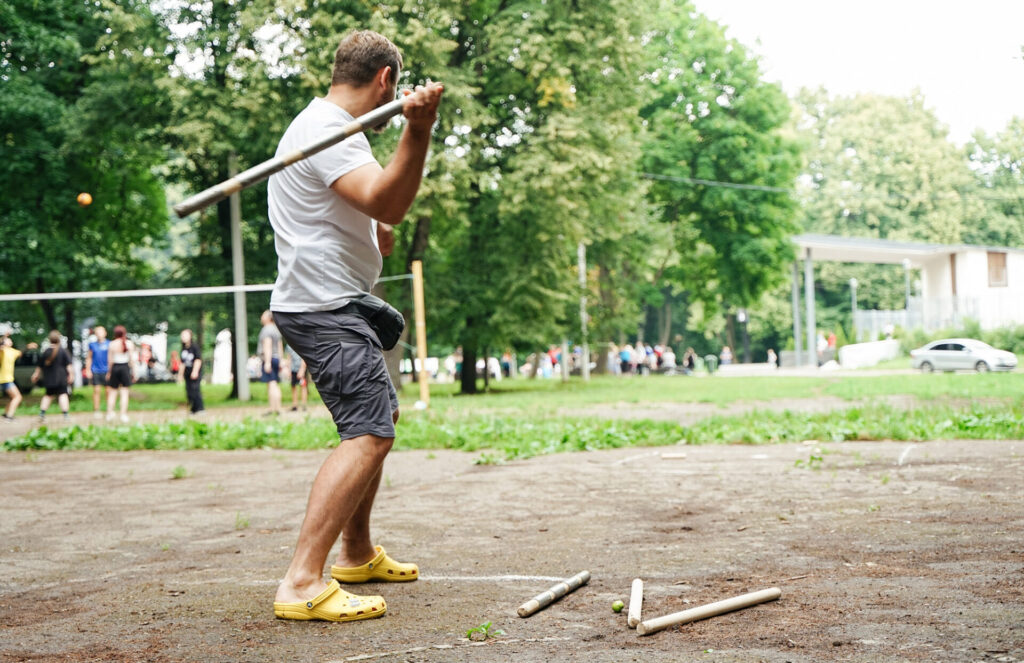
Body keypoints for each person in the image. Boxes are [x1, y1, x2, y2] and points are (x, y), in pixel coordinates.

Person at [266, 30, 442, 622]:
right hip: (323, 305)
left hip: (327, 297)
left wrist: (375, 237)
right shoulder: (333, 132)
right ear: (387, 80)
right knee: (369, 432)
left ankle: (357, 553)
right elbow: (389, 203)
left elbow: (369, 218)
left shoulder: (317, 127)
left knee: (379, 416)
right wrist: (419, 130)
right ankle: (301, 583)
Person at [32, 330, 73, 422]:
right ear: (59, 339)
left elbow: (40, 366)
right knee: (63, 394)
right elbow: (69, 366)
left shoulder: (46, 351)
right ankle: (66, 415)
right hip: (61, 378)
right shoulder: (63, 351)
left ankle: (42, 414)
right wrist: (71, 375)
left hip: (49, 378)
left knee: (48, 395)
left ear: (49, 339)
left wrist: (36, 375)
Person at [106, 325, 135, 423]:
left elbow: (110, 360)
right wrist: (134, 371)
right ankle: (123, 414)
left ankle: (110, 413)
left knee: (113, 392)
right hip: (124, 368)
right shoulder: (129, 343)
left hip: (115, 368)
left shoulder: (112, 344)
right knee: (124, 392)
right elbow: (132, 359)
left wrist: (109, 372)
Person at [258, 311, 285, 415]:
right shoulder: (276, 329)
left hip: (269, 358)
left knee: (272, 383)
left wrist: (267, 362)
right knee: (273, 383)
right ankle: (274, 408)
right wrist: (281, 360)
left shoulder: (266, 330)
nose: (261, 317)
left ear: (268, 318)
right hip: (276, 358)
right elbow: (279, 346)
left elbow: (267, 346)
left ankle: (276, 408)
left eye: (263, 315)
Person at [85, 326, 110, 419]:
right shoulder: (92, 345)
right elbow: (89, 357)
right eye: (97, 332)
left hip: (107, 370)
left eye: (101, 332)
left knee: (108, 391)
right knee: (96, 391)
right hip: (95, 370)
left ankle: (109, 410)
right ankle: (96, 410)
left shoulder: (109, 344)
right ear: (95, 334)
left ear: (105, 333)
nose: (99, 334)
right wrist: (88, 370)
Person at [179, 329, 204, 415]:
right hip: (187, 373)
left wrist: (195, 371)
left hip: (195, 372)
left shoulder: (194, 347)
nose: (183, 337)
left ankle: (200, 408)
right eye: (182, 335)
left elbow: (198, 360)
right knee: (189, 391)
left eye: (185, 335)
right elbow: (182, 363)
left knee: (195, 390)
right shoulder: (183, 348)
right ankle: (193, 409)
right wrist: (180, 375)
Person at [1, 336, 23, 422]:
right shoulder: (3, 350)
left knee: (13, 397)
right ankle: (9, 416)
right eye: (8, 340)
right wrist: (4, 337)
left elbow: (20, 353)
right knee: (18, 397)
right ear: (4, 342)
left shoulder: (12, 351)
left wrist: (30, 346)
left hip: (8, 379)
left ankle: (6, 413)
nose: (10, 341)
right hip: (5, 379)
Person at [287, 344, 308, 412]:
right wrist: (289, 370)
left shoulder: (300, 342)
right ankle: (295, 405)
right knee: (293, 387)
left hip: (301, 369)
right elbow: (289, 358)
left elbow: (304, 357)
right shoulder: (288, 345)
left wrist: (302, 369)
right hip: (293, 369)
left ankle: (304, 405)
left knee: (303, 386)